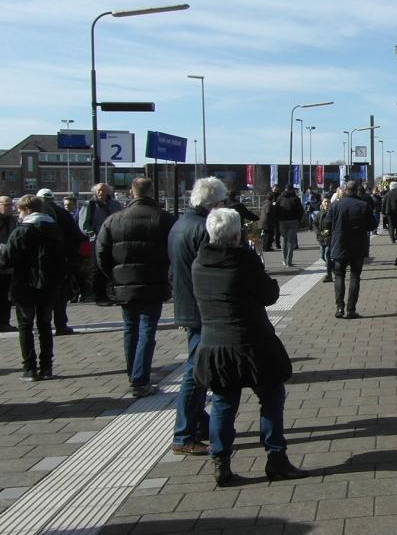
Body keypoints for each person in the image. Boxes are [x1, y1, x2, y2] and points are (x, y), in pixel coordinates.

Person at [191, 208, 306, 486]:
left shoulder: (199, 264)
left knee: (223, 402)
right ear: (236, 234)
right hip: (253, 342)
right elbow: (270, 295)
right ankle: (276, 458)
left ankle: (221, 461)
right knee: (271, 396)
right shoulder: (244, 261)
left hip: (215, 345)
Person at [96, 177, 176, 397]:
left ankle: (134, 374)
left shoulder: (114, 220)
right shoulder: (165, 219)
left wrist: (114, 274)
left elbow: (101, 253)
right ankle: (140, 380)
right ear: (152, 192)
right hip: (154, 282)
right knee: (147, 329)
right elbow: (175, 251)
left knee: (130, 328)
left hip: (124, 283)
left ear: (132, 192)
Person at [167, 177, 228, 456]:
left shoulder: (180, 224)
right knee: (195, 372)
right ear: (213, 203)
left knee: (197, 367)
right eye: (222, 202)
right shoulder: (203, 229)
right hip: (201, 308)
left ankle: (198, 424)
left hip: (186, 303)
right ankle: (184, 433)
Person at [0, 195, 64, 381]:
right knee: (45, 325)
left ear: (27, 210)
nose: (18, 214)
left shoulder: (21, 232)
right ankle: (47, 368)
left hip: (25, 284)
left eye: (19, 210)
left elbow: (7, 260)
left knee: (25, 326)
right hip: (48, 285)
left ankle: (29, 369)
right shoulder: (54, 231)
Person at [38, 189, 84, 335]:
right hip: (63, 260)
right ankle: (61, 325)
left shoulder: (35, 216)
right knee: (61, 295)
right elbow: (77, 236)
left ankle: (42, 326)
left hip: (41, 262)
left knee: (43, 296)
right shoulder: (64, 214)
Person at [328, 181, 372, 319]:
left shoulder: (335, 205)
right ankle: (351, 309)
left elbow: (327, 223)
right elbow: (372, 225)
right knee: (355, 276)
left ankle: (339, 308)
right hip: (358, 246)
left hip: (339, 244)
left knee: (339, 275)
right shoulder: (364, 205)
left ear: (346, 190)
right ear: (357, 190)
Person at [79, 183, 124, 306]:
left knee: (115, 266)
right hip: (97, 240)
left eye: (104, 190)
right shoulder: (90, 205)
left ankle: (115, 293)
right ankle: (99, 296)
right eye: (99, 190)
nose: (101, 193)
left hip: (114, 240)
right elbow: (84, 224)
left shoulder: (115, 205)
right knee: (98, 268)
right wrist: (94, 235)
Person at [0, 196, 18, 333]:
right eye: (6, 204)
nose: (9, 207)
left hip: (8, 265)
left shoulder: (13, 220)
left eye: (11, 205)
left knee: (6, 296)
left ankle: (5, 322)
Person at [275, 187, 304, 267]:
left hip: (282, 222)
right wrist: (299, 220)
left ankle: (284, 260)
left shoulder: (280, 198)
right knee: (291, 242)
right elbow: (301, 210)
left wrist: (278, 219)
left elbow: (276, 210)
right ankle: (289, 261)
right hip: (293, 221)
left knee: (284, 241)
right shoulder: (295, 198)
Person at [314, 198, 333, 283]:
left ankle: (329, 275)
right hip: (321, 237)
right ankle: (335, 268)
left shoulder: (332, 213)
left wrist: (325, 232)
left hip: (329, 237)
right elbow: (315, 223)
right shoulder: (319, 213)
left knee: (327, 255)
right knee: (322, 256)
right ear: (322, 203)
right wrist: (318, 232)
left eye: (328, 202)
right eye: (325, 202)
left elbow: (334, 225)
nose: (326, 203)